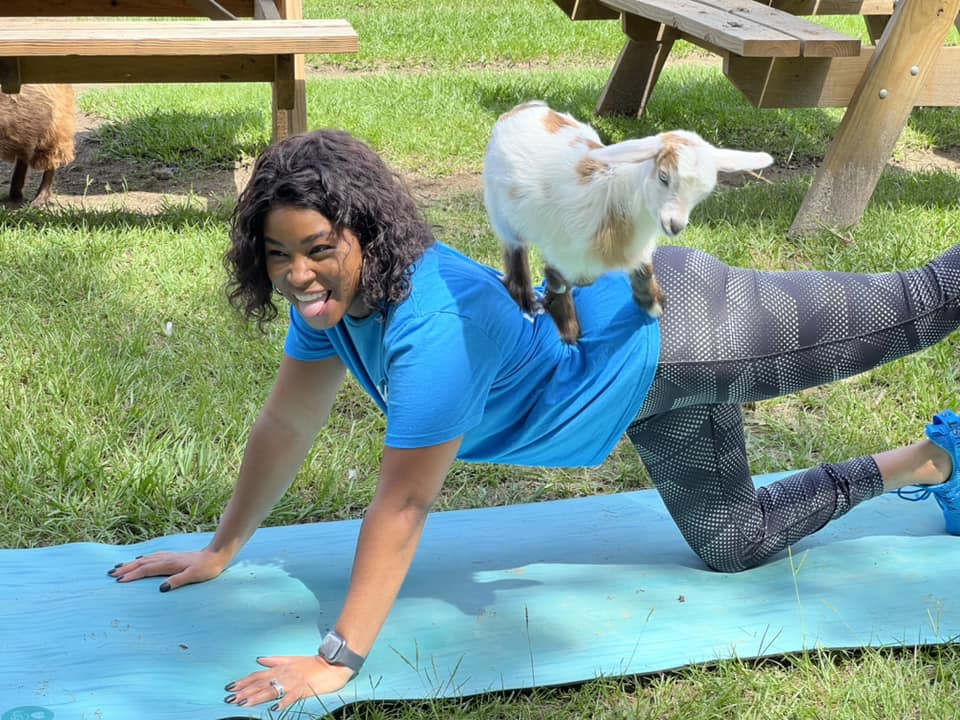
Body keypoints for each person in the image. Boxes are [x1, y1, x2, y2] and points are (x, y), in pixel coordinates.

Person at [108, 128, 960, 711]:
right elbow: (285, 426)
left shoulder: (431, 327)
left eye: (319, 248)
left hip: (692, 334)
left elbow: (403, 506)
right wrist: (222, 549)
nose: (297, 274)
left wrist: (339, 660)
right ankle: (932, 460)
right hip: (640, 396)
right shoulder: (333, 302)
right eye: (278, 253)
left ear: (365, 232)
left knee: (925, 303)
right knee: (734, 545)